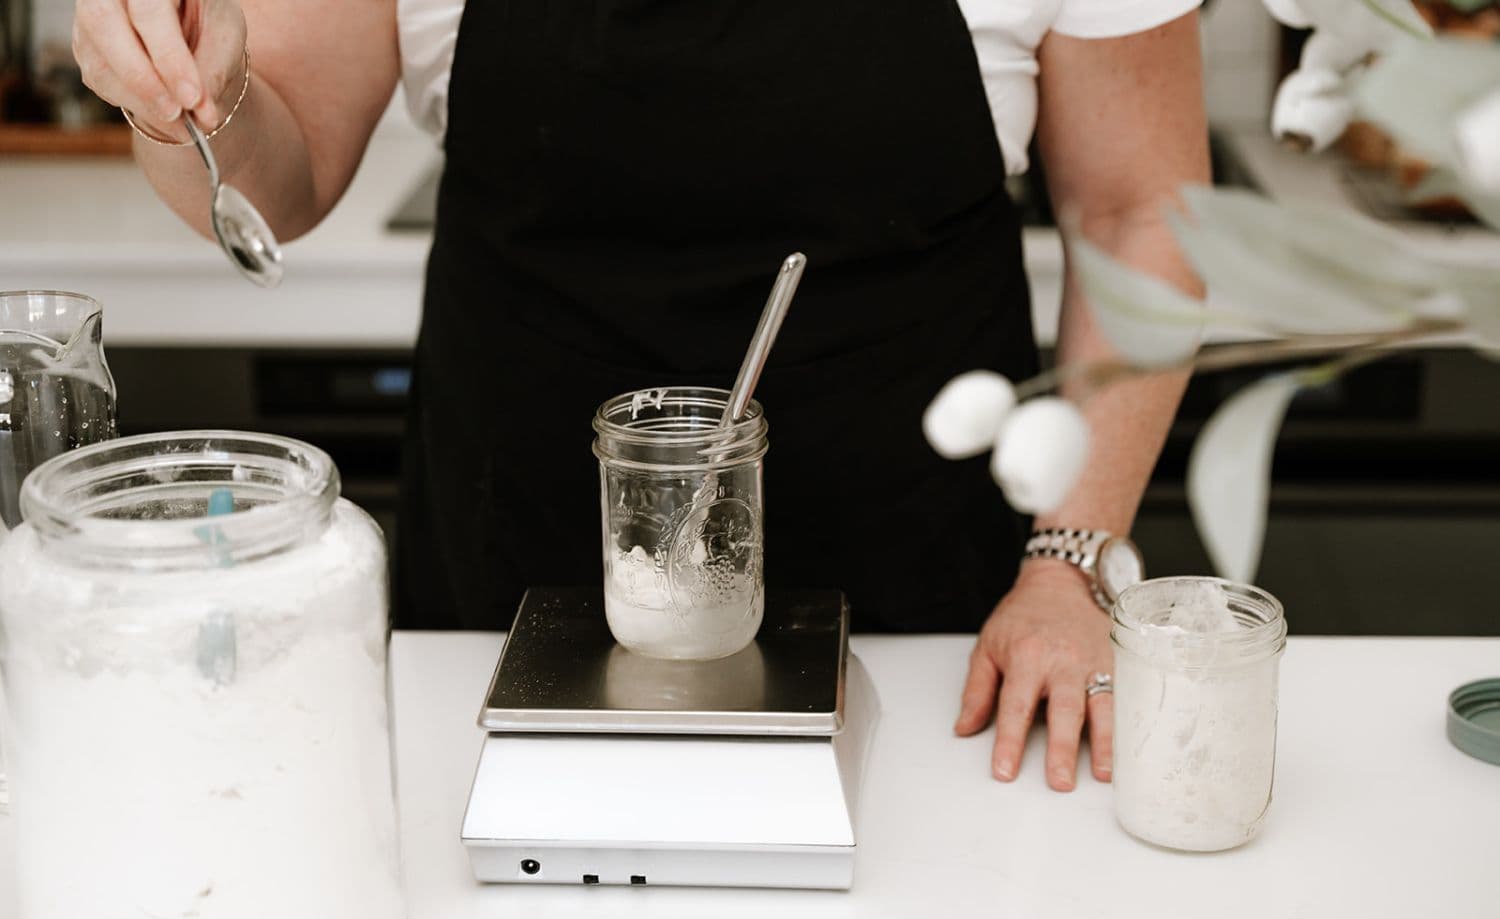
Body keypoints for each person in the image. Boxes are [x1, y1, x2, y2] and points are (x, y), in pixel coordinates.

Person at [73, 0, 1208, 791]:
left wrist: (1070, 559)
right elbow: (284, 169)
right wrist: (187, 95)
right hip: (506, 620)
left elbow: (1145, 211)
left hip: (930, 645)